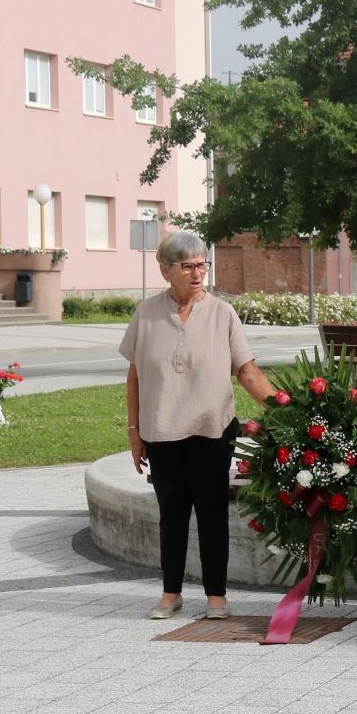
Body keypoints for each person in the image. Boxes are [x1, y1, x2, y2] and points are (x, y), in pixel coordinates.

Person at [122, 232, 276, 620]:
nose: (197, 272)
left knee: (211, 515)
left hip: (211, 431)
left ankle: (216, 598)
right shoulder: (147, 313)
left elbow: (246, 369)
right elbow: (135, 377)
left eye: (202, 264)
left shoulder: (223, 313)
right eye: (187, 265)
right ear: (165, 270)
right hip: (161, 432)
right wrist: (134, 431)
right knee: (171, 514)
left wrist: (283, 406)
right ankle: (170, 593)